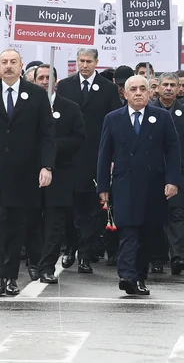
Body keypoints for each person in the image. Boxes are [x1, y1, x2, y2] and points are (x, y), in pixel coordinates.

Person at [0, 49, 55, 296]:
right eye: (4, 62)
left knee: (17, 225)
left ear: (21, 66)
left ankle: (11, 277)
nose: (8, 66)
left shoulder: (36, 94)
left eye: (13, 62)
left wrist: (46, 166)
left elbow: (48, 134)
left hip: (24, 172)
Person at [97, 75, 182, 295]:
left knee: (147, 232)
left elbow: (173, 150)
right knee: (128, 230)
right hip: (125, 183)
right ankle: (126, 275)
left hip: (153, 184)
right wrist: (103, 186)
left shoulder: (161, 117)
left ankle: (139, 277)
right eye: (132, 89)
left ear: (149, 92)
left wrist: (172, 181)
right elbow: (104, 154)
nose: (137, 93)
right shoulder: (113, 118)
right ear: (124, 94)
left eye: (142, 89)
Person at [55, 48, 121, 273]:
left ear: (96, 63)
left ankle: (85, 255)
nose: (84, 65)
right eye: (81, 61)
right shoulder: (64, 85)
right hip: (69, 157)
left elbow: (114, 122)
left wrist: (112, 155)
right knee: (69, 208)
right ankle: (70, 247)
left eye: (88, 61)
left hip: (95, 156)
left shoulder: (108, 88)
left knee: (92, 210)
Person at [30, 64, 84, 284]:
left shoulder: (69, 107)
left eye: (48, 77)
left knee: (54, 223)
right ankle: (34, 262)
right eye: (40, 78)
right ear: (34, 81)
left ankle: (47, 266)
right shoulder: (28, 105)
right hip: (31, 173)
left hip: (61, 174)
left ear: (56, 80)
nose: (44, 81)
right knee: (32, 221)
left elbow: (79, 139)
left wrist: (52, 146)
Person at [149, 72, 184, 275]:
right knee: (155, 217)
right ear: (159, 87)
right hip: (153, 173)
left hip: (181, 173)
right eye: (165, 84)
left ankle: (177, 256)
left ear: (179, 88)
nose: (169, 88)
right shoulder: (148, 110)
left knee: (178, 215)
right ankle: (157, 258)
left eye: (173, 85)